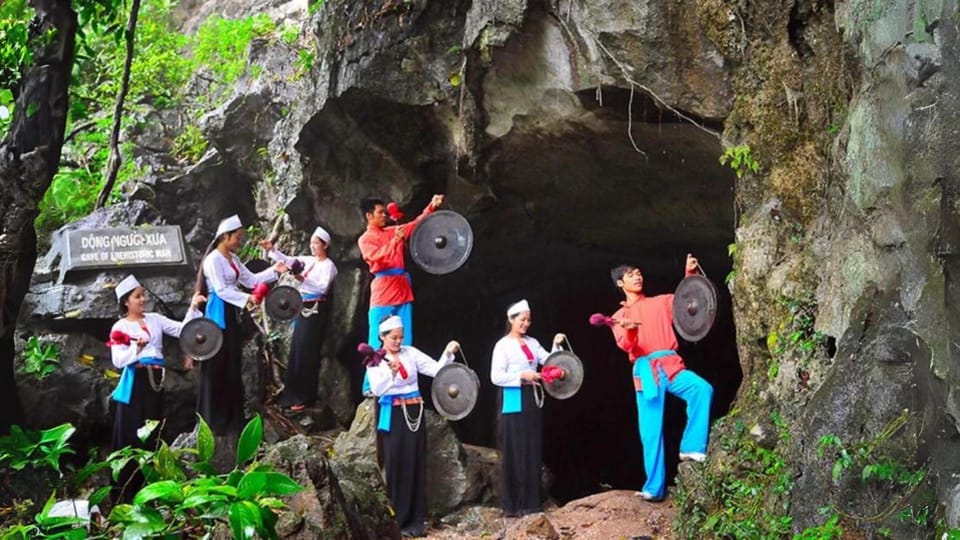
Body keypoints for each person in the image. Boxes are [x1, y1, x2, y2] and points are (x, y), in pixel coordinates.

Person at [607, 254, 714, 502]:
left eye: (639, 272)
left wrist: (690, 274)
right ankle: (654, 488)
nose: (638, 276)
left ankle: (692, 447)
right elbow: (625, 345)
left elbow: (689, 301)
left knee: (702, 389)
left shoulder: (662, 301)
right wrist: (631, 331)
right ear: (620, 283)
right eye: (631, 274)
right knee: (651, 430)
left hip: (671, 364)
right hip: (646, 372)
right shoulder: (617, 317)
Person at [108, 275, 205, 502]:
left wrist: (192, 307)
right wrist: (137, 351)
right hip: (136, 383)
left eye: (143, 295)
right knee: (131, 434)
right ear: (126, 302)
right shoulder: (120, 327)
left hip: (156, 384)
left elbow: (183, 330)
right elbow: (118, 361)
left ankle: (151, 490)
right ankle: (125, 494)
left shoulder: (154, 319)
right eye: (137, 296)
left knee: (153, 432)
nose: (143, 300)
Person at [365, 315, 460, 537]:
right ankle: (399, 519)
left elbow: (436, 370)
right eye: (394, 338)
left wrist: (447, 353)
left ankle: (417, 521)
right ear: (382, 337)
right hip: (395, 413)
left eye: (401, 337)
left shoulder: (410, 353)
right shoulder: (375, 360)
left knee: (416, 461)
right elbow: (378, 389)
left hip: (415, 411)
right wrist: (392, 373)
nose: (398, 342)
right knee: (397, 462)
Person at [193, 214, 287, 435]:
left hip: (232, 313)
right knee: (216, 365)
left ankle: (232, 418)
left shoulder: (233, 260)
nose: (239, 241)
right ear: (225, 236)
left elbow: (251, 280)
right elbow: (222, 289)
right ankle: (211, 418)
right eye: (237, 237)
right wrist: (247, 299)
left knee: (232, 364)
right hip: (217, 314)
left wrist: (275, 270)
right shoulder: (213, 260)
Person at [357, 194, 444, 395]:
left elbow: (415, 224)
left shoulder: (391, 231)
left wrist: (431, 206)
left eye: (385, 213)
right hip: (383, 288)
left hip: (402, 287)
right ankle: (370, 385)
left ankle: (405, 381)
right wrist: (394, 242)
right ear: (369, 216)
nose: (384, 216)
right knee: (376, 340)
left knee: (404, 339)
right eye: (380, 213)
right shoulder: (365, 239)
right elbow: (374, 257)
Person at [490, 299, 566, 517]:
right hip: (512, 397)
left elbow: (549, 362)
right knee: (514, 449)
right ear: (511, 320)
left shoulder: (532, 343)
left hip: (532, 398)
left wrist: (557, 344)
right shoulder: (502, 345)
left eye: (528, 320)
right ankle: (513, 505)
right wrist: (521, 375)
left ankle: (531, 504)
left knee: (532, 446)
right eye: (522, 319)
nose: (526, 324)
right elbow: (495, 376)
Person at [259, 226, 338, 411]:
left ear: (325, 245)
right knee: (297, 349)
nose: (312, 247)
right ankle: (291, 393)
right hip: (302, 307)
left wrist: (301, 278)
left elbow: (321, 287)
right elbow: (289, 261)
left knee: (307, 351)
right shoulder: (308, 260)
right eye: (311, 243)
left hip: (316, 309)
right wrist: (272, 249)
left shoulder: (329, 266)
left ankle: (305, 395)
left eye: (316, 243)